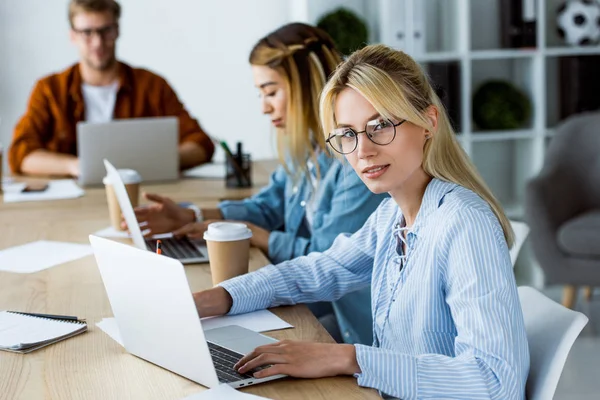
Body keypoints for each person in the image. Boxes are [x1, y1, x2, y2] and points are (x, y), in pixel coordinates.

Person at [191, 44, 530, 399]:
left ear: (429, 121)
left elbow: (496, 382)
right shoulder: (392, 215)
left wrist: (347, 358)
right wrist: (216, 298)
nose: (362, 151)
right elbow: (322, 270)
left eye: (380, 126)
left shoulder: (464, 224)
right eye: (348, 134)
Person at [127, 23, 387, 344]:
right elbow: (266, 206)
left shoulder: (357, 163)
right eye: (260, 93)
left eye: (271, 91)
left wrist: (262, 237)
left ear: (307, 86)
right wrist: (192, 215)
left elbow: (330, 261)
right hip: (320, 307)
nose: (264, 107)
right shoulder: (304, 149)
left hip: (352, 323)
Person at [8, 0, 214, 176]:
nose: (97, 42)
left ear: (117, 30)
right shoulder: (50, 89)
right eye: (87, 32)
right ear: (72, 36)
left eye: (106, 31)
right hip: (71, 205)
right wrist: (76, 166)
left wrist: (154, 162)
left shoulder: (152, 85)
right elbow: (21, 154)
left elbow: (200, 143)